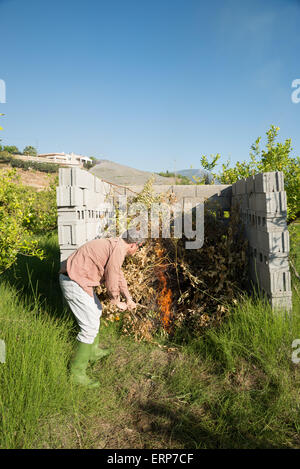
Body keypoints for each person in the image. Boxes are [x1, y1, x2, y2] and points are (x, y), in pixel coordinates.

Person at [58, 229, 145, 388]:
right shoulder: (118, 249)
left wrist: (129, 298)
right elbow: (112, 276)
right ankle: (76, 373)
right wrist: (115, 300)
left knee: (96, 310)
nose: (137, 251)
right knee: (89, 327)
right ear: (134, 245)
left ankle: (93, 351)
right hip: (73, 282)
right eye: (138, 247)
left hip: (78, 280)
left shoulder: (116, 245)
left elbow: (118, 275)